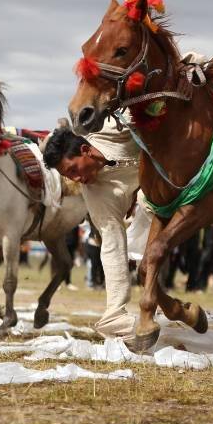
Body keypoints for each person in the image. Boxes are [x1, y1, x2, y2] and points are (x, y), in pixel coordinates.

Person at [42, 123, 140, 340]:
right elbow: (112, 245)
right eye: (68, 176)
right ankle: (115, 315)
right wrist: (115, 310)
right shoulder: (94, 196)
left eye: (73, 170)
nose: (75, 179)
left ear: (85, 151)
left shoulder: (112, 128)